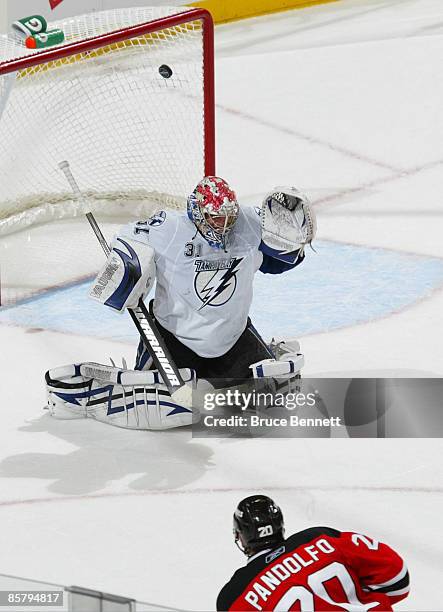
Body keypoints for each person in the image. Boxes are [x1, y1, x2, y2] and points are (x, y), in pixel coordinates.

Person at [45, 178, 315, 430]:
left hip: (233, 338)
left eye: (228, 218)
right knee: (163, 398)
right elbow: (130, 235)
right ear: (197, 213)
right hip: (174, 340)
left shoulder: (248, 222)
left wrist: (293, 238)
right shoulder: (169, 229)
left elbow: (278, 261)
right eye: (215, 218)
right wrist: (126, 265)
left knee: (276, 393)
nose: (223, 225)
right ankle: (88, 394)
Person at [217, 495, 410, 611]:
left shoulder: (233, 597)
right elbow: (398, 579)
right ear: (280, 526)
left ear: (240, 537)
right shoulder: (320, 537)